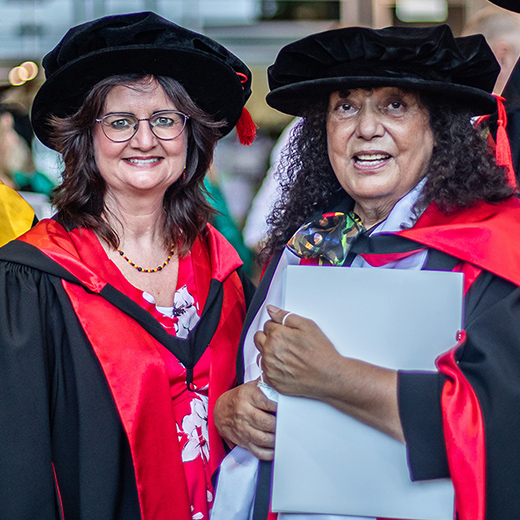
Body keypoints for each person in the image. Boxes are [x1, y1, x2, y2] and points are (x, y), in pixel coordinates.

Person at [212, 24, 520, 520]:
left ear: (436, 125)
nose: (366, 128)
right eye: (346, 106)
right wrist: (231, 412)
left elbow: (500, 426)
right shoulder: (307, 246)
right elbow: (239, 382)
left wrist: (332, 377)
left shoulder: (495, 246)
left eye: (394, 105)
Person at [0, 11, 257, 520]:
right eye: (119, 122)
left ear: (191, 139)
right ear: (85, 142)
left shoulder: (225, 274)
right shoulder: (32, 280)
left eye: (165, 120)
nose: (145, 140)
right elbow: (19, 468)